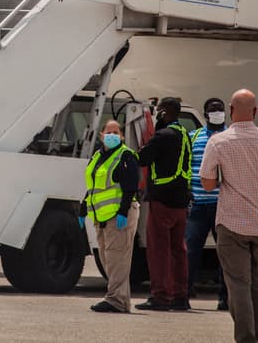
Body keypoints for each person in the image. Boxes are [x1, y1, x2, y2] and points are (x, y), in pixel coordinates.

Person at [199, 89, 258, 343]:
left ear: (230, 110)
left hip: (233, 221)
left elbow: (207, 183)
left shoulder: (218, 141)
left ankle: (246, 339)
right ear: (256, 112)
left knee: (238, 284)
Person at [136, 96, 193, 312]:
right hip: (181, 203)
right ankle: (181, 296)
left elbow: (142, 158)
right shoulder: (185, 135)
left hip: (162, 202)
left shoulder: (162, 135)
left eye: (159, 111)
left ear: (165, 112)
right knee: (178, 251)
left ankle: (160, 297)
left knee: (159, 251)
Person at [79, 118, 140, 313]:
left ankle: (116, 300)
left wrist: (123, 211)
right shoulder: (97, 156)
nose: (112, 136)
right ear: (101, 135)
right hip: (101, 216)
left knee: (117, 260)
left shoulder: (126, 156)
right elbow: (93, 187)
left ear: (122, 136)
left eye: (116, 133)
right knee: (108, 260)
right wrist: (83, 207)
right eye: (109, 132)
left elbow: (131, 187)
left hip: (119, 215)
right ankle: (120, 300)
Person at [186, 97, 230, 310]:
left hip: (223, 205)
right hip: (198, 205)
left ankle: (225, 299)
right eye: (213, 110)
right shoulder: (193, 137)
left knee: (225, 254)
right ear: (205, 114)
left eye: (220, 109)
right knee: (190, 251)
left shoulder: (232, 137)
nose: (217, 113)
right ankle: (183, 294)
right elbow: (185, 166)